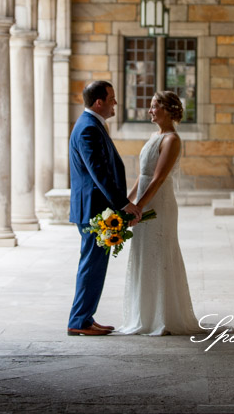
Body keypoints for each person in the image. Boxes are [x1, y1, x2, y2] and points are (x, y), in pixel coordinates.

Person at [117, 91, 203, 336]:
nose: (150, 110)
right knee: (143, 252)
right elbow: (142, 176)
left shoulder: (171, 140)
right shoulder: (155, 136)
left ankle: (163, 316)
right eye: (151, 106)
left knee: (159, 252)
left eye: (155, 106)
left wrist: (140, 207)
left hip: (159, 204)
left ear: (168, 110)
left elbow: (158, 178)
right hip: (144, 200)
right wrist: (127, 203)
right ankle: (144, 313)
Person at [67, 80, 142, 336]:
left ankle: (85, 317)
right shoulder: (88, 129)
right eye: (112, 98)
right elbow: (98, 173)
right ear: (98, 102)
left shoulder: (93, 125)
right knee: (91, 265)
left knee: (95, 265)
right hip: (93, 211)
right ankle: (79, 321)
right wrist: (123, 204)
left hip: (96, 209)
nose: (115, 103)